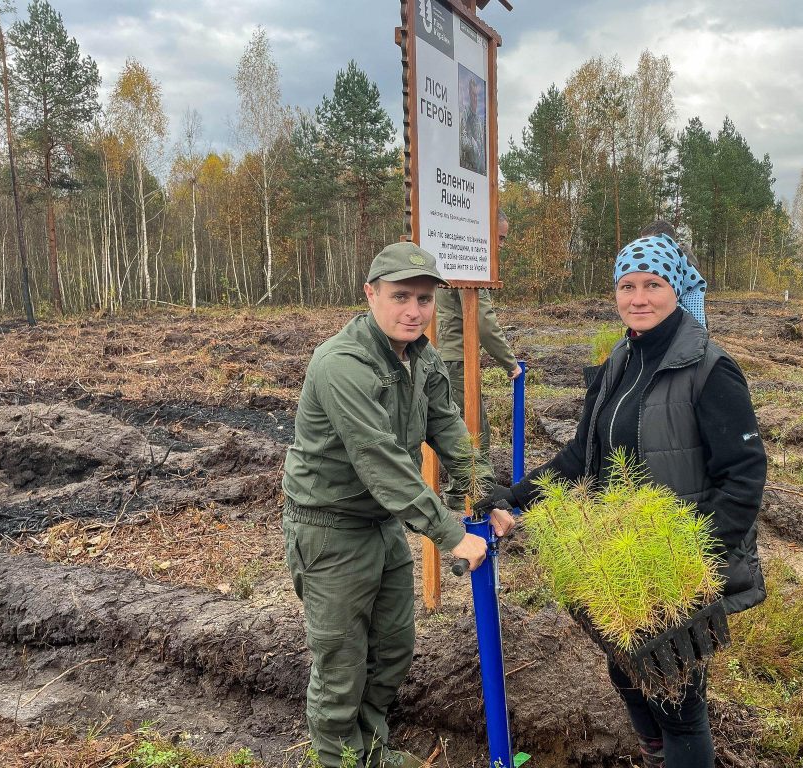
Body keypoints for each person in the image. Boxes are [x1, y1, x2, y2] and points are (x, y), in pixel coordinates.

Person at [477, 234, 767, 768]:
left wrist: (698, 562)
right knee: (624, 667)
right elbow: (582, 457)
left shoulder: (708, 368)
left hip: (677, 566)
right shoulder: (621, 358)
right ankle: (654, 755)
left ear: (675, 289)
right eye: (627, 286)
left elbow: (745, 475)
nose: (639, 297)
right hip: (622, 557)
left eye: (652, 285)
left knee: (677, 695)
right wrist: (514, 496)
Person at [282, 241, 516, 768]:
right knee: (342, 663)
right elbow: (381, 460)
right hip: (330, 529)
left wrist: (483, 492)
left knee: (391, 648)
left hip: (382, 523)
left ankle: (372, 750)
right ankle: (340, 759)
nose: (414, 310)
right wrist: (451, 533)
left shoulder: (421, 355)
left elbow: (447, 425)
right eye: (401, 296)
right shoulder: (343, 364)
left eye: (425, 299)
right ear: (370, 294)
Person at [435, 209, 522, 509]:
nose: (500, 244)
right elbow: (484, 322)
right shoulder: (470, 263)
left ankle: (461, 491)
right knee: (473, 430)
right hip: (455, 358)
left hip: (447, 353)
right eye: (498, 237)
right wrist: (510, 363)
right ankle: (469, 498)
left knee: (455, 424)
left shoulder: (454, 253)